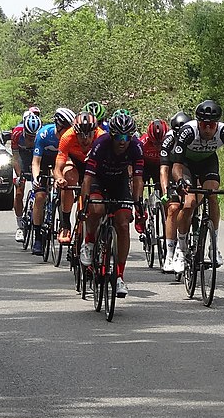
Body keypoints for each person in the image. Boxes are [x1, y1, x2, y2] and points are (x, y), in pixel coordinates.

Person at [171, 100, 224, 272]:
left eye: (212, 125)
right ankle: (180, 249)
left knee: (212, 195)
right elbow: (176, 166)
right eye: (204, 124)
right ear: (198, 122)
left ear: (217, 124)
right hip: (186, 164)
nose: (208, 129)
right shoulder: (188, 131)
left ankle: (213, 247)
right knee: (189, 204)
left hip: (208, 162)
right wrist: (180, 181)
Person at [79, 112, 144, 298]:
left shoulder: (136, 147)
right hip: (98, 179)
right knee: (97, 209)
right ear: (112, 135)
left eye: (126, 137)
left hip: (119, 182)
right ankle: (89, 241)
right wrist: (85, 205)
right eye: (118, 137)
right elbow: (87, 178)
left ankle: (119, 276)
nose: (122, 141)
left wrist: (137, 203)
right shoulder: (101, 144)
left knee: (123, 225)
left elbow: (138, 180)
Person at [30, 107, 76, 255]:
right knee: (40, 196)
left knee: (65, 187)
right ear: (58, 126)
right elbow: (36, 162)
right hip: (44, 161)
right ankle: (37, 237)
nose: (70, 131)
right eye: (67, 128)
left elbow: (69, 161)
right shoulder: (44, 134)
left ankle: (64, 222)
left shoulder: (70, 137)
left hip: (61, 161)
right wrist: (37, 177)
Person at [53, 111, 104, 243]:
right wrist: (59, 178)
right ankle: (65, 225)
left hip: (93, 165)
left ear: (95, 132)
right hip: (75, 162)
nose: (85, 140)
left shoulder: (102, 137)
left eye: (89, 135)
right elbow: (58, 165)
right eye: (80, 135)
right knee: (68, 177)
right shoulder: (67, 136)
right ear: (75, 132)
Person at [159, 111, 191, 272]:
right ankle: (170, 254)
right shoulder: (168, 139)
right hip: (173, 170)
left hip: (189, 169)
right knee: (172, 208)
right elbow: (164, 169)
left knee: (190, 204)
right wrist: (165, 192)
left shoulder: (194, 136)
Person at [11, 112, 42, 242]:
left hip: (37, 156)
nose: (31, 139)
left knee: (42, 190)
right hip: (22, 157)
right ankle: (19, 226)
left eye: (33, 136)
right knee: (19, 192)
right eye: (29, 136)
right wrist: (19, 176)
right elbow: (15, 158)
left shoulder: (41, 136)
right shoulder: (17, 134)